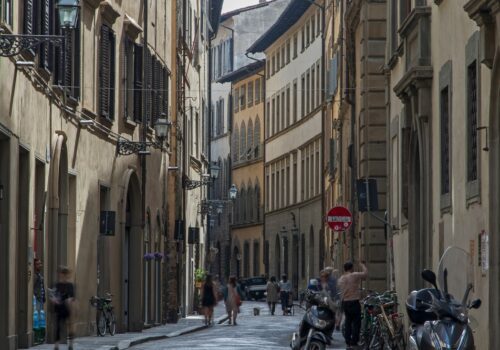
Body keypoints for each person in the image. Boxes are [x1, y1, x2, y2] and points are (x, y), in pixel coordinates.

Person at [338, 261, 368, 349]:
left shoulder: (341, 279)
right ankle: (354, 342)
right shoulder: (354, 275)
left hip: (345, 302)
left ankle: (348, 341)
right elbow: (365, 274)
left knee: (348, 322)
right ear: (351, 268)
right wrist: (362, 265)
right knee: (356, 323)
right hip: (354, 302)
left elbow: (340, 289)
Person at [49, 266, 75, 350]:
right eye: (62, 274)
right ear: (60, 275)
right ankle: (56, 346)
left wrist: (69, 300)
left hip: (68, 309)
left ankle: (71, 345)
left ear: (67, 275)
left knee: (70, 327)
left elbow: (72, 296)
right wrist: (54, 300)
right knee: (58, 327)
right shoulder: (57, 285)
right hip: (59, 308)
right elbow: (52, 295)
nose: (63, 276)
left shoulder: (70, 285)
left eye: (65, 274)